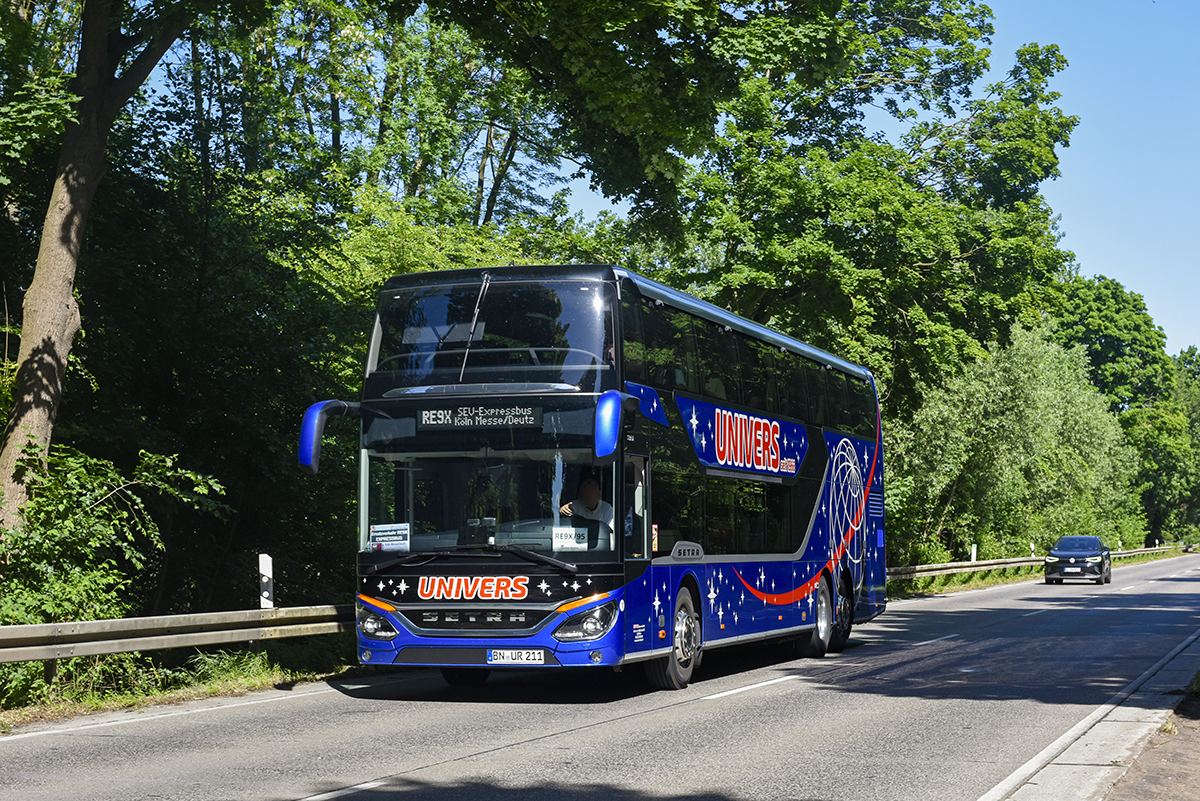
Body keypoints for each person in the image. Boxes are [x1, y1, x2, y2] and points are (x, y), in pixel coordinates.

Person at [559, 477, 616, 546]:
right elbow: (568, 513)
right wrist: (563, 510)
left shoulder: (607, 508)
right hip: (576, 546)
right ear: (580, 493)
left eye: (591, 490)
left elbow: (613, 532)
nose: (589, 494)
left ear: (599, 492)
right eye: (586, 490)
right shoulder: (575, 505)